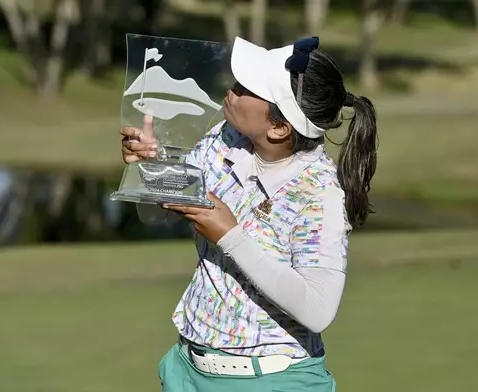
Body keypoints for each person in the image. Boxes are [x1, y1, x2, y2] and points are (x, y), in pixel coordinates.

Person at [120, 36, 378, 392]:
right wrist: (153, 168)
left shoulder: (318, 195)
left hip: (273, 381)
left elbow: (319, 309)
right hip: (188, 370)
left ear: (279, 127)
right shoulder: (224, 139)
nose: (232, 89)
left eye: (247, 88)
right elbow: (157, 216)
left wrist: (231, 236)